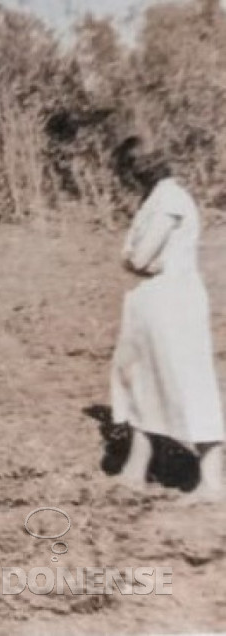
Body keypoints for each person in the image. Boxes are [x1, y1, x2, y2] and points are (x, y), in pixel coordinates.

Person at [110, 138, 224, 501]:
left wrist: (132, 260)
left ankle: (213, 481)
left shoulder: (170, 200)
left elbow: (139, 257)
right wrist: (134, 260)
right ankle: (136, 468)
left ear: (136, 169)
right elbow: (137, 259)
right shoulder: (156, 199)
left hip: (173, 304)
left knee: (188, 383)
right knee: (143, 381)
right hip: (152, 303)